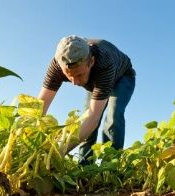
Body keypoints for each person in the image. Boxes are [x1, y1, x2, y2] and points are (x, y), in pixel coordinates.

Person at [37, 35, 136, 164]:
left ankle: (111, 166)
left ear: (91, 62)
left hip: (122, 77)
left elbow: (93, 117)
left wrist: (57, 153)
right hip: (95, 82)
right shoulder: (57, 65)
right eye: (69, 76)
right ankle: (84, 166)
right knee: (85, 121)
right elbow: (40, 106)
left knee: (113, 114)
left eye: (79, 75)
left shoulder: (104, 63)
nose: (75, 82)